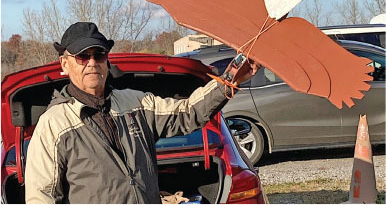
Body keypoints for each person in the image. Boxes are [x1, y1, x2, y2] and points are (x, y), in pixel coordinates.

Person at [25, 22, 258, 204]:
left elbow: (188, 112)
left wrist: (230, 79)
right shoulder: (53, 124)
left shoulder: (135, 103)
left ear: (107, 60)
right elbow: (41, 195)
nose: (92, 63)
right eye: (82, 56)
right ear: (65, 64)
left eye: (99, 54)